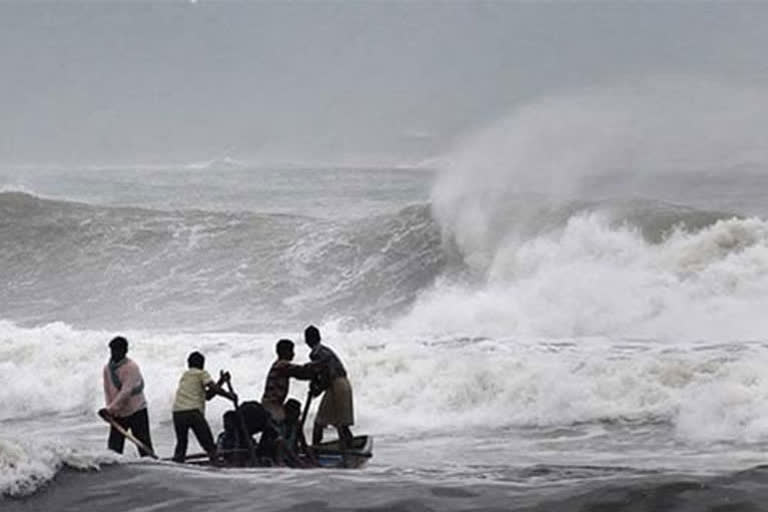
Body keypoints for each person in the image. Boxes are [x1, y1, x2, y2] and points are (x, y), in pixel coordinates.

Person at [171, 351, 236, 463]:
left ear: (188, 364)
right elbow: (214, 388)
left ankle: (177, 463)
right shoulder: (201, 373)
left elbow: (208, 396)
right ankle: (217, 466)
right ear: (202, 364)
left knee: (181, 444)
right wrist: (229, 396)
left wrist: (221, 381)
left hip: (178, 412)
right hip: (193, 412)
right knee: (209, 444)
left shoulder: (185, 376)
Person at [99, 336, 154, 457]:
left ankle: (152, 466)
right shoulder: (107, 369)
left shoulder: (131, 367)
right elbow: (108, 391)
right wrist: (110, 411)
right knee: (114, 449)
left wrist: (110, 409)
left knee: (144, 445)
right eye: (113, 350)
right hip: (118, 413)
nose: (114, 353)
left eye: (118, 351)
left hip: (136, 411)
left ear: (125, 351)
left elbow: (126, 392)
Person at [304, 325, 354, 449]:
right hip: (344, 384)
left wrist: (317, 390)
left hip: (336, 385)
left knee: (320, 422)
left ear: (306, 340)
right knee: (340, 423)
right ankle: (349, 447)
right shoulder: (325, 350)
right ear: (319, 337)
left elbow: (326, 376)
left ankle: (315, 450)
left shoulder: (316, 353)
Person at [261, 339, 314, 423]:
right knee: (282, 422)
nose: (293, 354)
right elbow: (301, 372)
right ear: (284, 352)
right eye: (291, 351)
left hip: (273, 403)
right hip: (272, 405)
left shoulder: (277, 364)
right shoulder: (282, 365)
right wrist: (316, 367)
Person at [279, 398, 317, 468]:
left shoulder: (297, 425)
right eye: (295, 412)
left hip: (293, 457)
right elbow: (284, 447)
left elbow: (304, 445)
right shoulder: (279, 425)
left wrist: (313, 460)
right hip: (281, 458)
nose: (298, 414)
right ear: (287, 412)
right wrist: (299, 462)